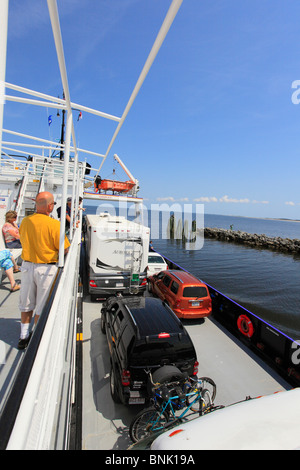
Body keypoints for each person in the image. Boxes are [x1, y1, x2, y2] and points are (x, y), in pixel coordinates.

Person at [17, 191, 70, 350]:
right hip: (45, 270)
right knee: (41, 305)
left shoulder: (25, 221)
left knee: (26, 304)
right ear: (49, 206)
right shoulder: (54, 225)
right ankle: (35, 339)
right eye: (53, 204)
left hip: (26, 266)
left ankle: (23, 337)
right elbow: (65, 249)